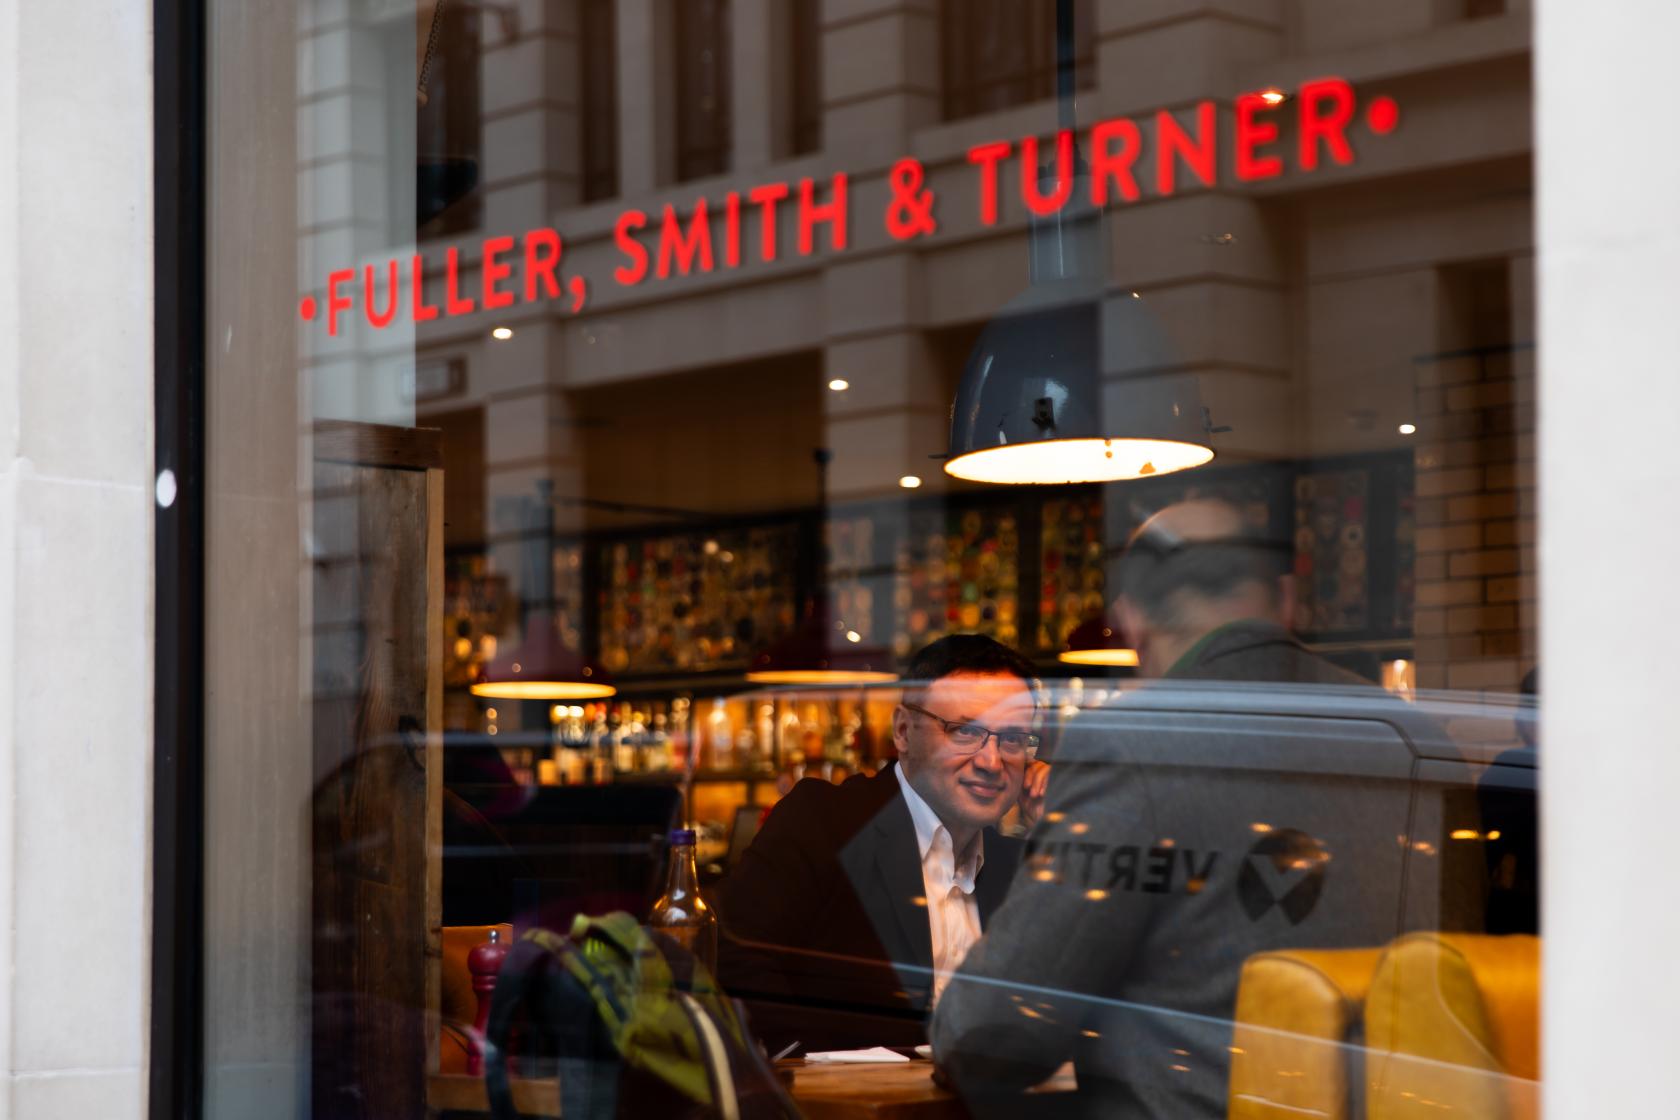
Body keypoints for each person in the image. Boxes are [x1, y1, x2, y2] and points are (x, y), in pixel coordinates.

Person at [930, 498, 1412, 1118]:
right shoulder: (1403, 736)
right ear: (1286, 600)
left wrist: (958, 1029)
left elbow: (1003, 1030)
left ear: (1131, 620)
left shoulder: (1132, 744)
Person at [717, 634, 1050, 1054]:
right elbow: (735, 965)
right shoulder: (824, 822)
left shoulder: (1017, 866)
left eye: (1014, 739)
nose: (991, 761)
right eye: (964, 731)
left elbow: (1074, 1003)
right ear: (904, 731)